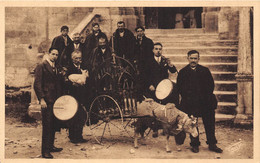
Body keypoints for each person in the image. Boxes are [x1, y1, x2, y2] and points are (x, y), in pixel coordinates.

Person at [176, 50, 223, 153]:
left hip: (205, 102)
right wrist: (190, 97)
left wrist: (203, 97)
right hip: (190, 102)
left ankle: (212, 143)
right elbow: (180, 88)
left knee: (209, 123)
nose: (193, 60)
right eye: (191, 58)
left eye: (195, 58)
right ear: (187, 58)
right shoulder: (183, 72)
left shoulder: (205, 70)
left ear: (198, 59)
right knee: (193, 124)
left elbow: (210, 86)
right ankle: (195, 144)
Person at [34, 48, 64, 159]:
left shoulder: (56, 67)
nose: (55, 56)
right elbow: (37, 84)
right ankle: (45, 151)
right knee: (47, 126)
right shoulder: (42, 66)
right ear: (48, 54)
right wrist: (41, 99)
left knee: (53, 124)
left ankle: (51, 146)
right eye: (53, 54)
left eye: (57, 54)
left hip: (55, 99)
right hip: (46, 100)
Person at [65, 50, 90, 144]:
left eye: (80, 58)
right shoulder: (70, 69)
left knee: (81, 115)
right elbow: (65, 82)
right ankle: (73, 136)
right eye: (76, 58)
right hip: (73, 95)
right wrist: (72, 84)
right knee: (74, 116)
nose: (78, 60)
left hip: (81, 95)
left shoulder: (83, 68)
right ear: (72, 59)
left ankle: (79, 136)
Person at [134, 26, 154, 101]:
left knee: (147, 79)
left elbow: (151, 53)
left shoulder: (149, 41)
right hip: (138, 64)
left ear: (143, 31)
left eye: (141, 31)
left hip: (147, 64)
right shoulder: (134, 41)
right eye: (138, 31)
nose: (140, 33)